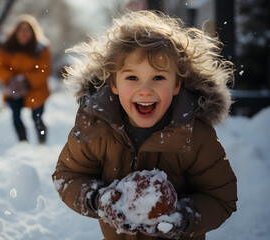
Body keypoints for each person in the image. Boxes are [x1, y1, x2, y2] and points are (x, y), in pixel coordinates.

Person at [52, 10, 237, 240]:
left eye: (158, 77)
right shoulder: (96, 127)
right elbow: (68, 175)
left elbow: (221, 197)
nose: (146, 89)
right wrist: (98, 199)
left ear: (177, 84)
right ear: (114, 84)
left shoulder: (194, 135)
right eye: (132, 78)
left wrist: (183, 216)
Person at [0, 14, 51, 144]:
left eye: (27, 30)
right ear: (16, 31)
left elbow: (44, 70)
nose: (24, 33)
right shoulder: (5, 47)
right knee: (16, 117)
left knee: (37, 118)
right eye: (21, 29)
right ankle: (23, 143)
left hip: (36, 89)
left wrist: (26, 81)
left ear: (33, 31)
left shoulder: (41, 48)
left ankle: (42, 142)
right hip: (12, 88)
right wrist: (11, 80)